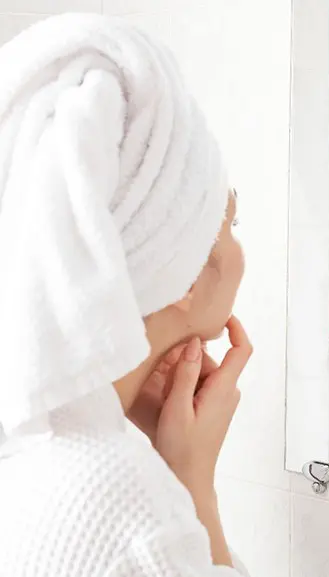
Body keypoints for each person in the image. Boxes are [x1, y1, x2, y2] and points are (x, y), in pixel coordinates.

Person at [0, 13, 253, 577]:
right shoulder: (127, 507)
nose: (239, 250)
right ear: (186, 271)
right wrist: (193, 489)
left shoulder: (29, 444)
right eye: (231, 222)